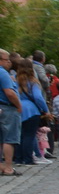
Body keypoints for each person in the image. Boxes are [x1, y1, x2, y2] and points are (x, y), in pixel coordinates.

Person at [0, 46, 20, 175]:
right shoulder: (2, 73)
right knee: (9, 138)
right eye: (7, 60)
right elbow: (10, 93)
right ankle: (8, 167)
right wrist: (18, 105)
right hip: (7, 108)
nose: (9, 62)